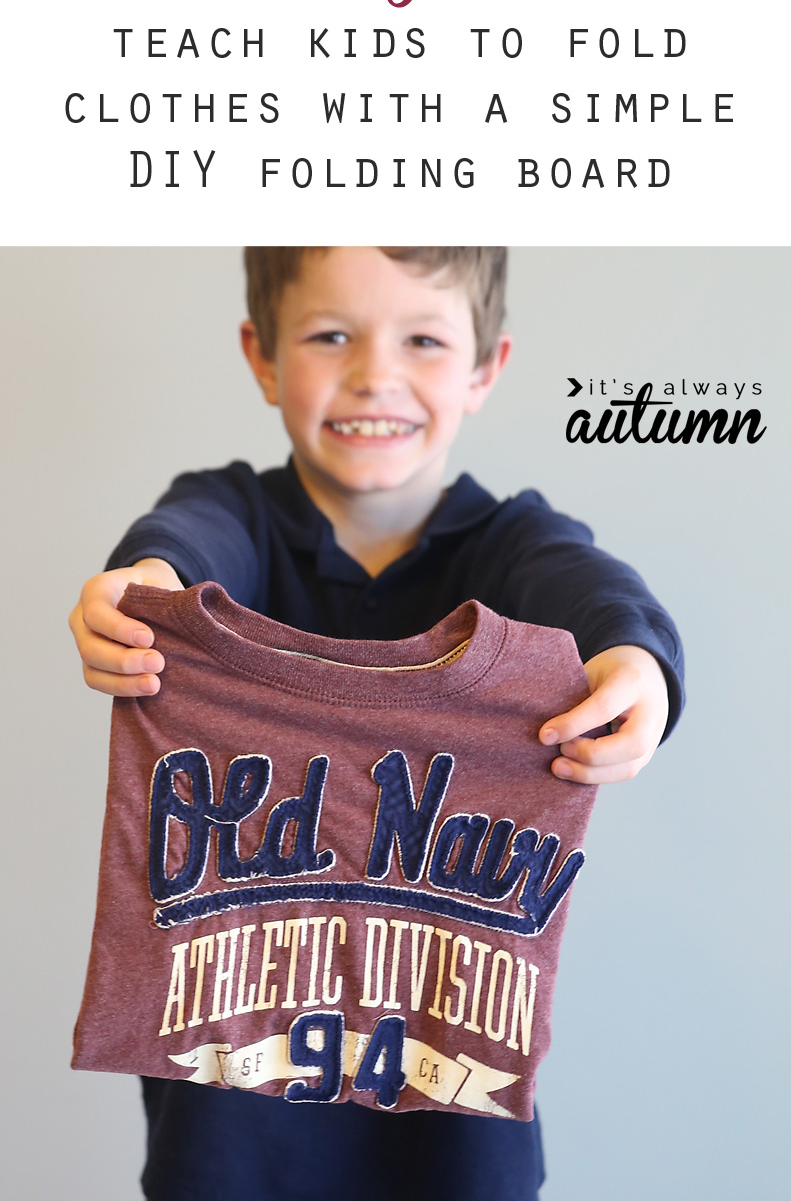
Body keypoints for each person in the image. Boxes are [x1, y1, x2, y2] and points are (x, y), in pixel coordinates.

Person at [69, 246, 684, 1201]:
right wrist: (149, 586)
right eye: (330, 335)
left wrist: (638, 658)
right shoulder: (235, 514)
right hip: (230, 1127)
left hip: (452, 1123)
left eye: (425, 339)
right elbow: (188, 538)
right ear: (263, 355)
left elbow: (587, 584)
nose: (375, 374)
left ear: (487, 368)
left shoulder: (512, 543)